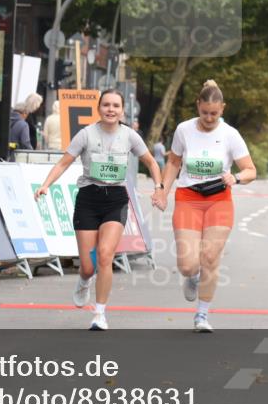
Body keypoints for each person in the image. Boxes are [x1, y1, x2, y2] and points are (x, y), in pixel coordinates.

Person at [35, 89, 165, 331]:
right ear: (99, 108)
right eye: (106, 105)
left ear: (122, 111)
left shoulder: (130, 136)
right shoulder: (86, 134)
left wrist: (159, 188)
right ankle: (84, 280)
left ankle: (99, 313)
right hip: (88, 199)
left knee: (105, 255)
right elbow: (63, 163)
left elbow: (151, 162)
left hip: (115, 200)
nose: (110, 109)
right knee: (88, 266)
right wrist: (45, 185)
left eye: (116, 105)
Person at [160, 80, 256, 333]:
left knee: (210, 258)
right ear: (198, 106)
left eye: (214, 113)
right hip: (188, 198)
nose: (209, 118)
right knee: (187, 264)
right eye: (205, 113)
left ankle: (201, 315)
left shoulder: (230, 134)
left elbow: (250, 170)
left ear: (222, 108)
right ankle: (192, 277)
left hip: (219, 201)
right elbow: (173, 163)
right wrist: (162, 191)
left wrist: (236, 177)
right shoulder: (184, 130)